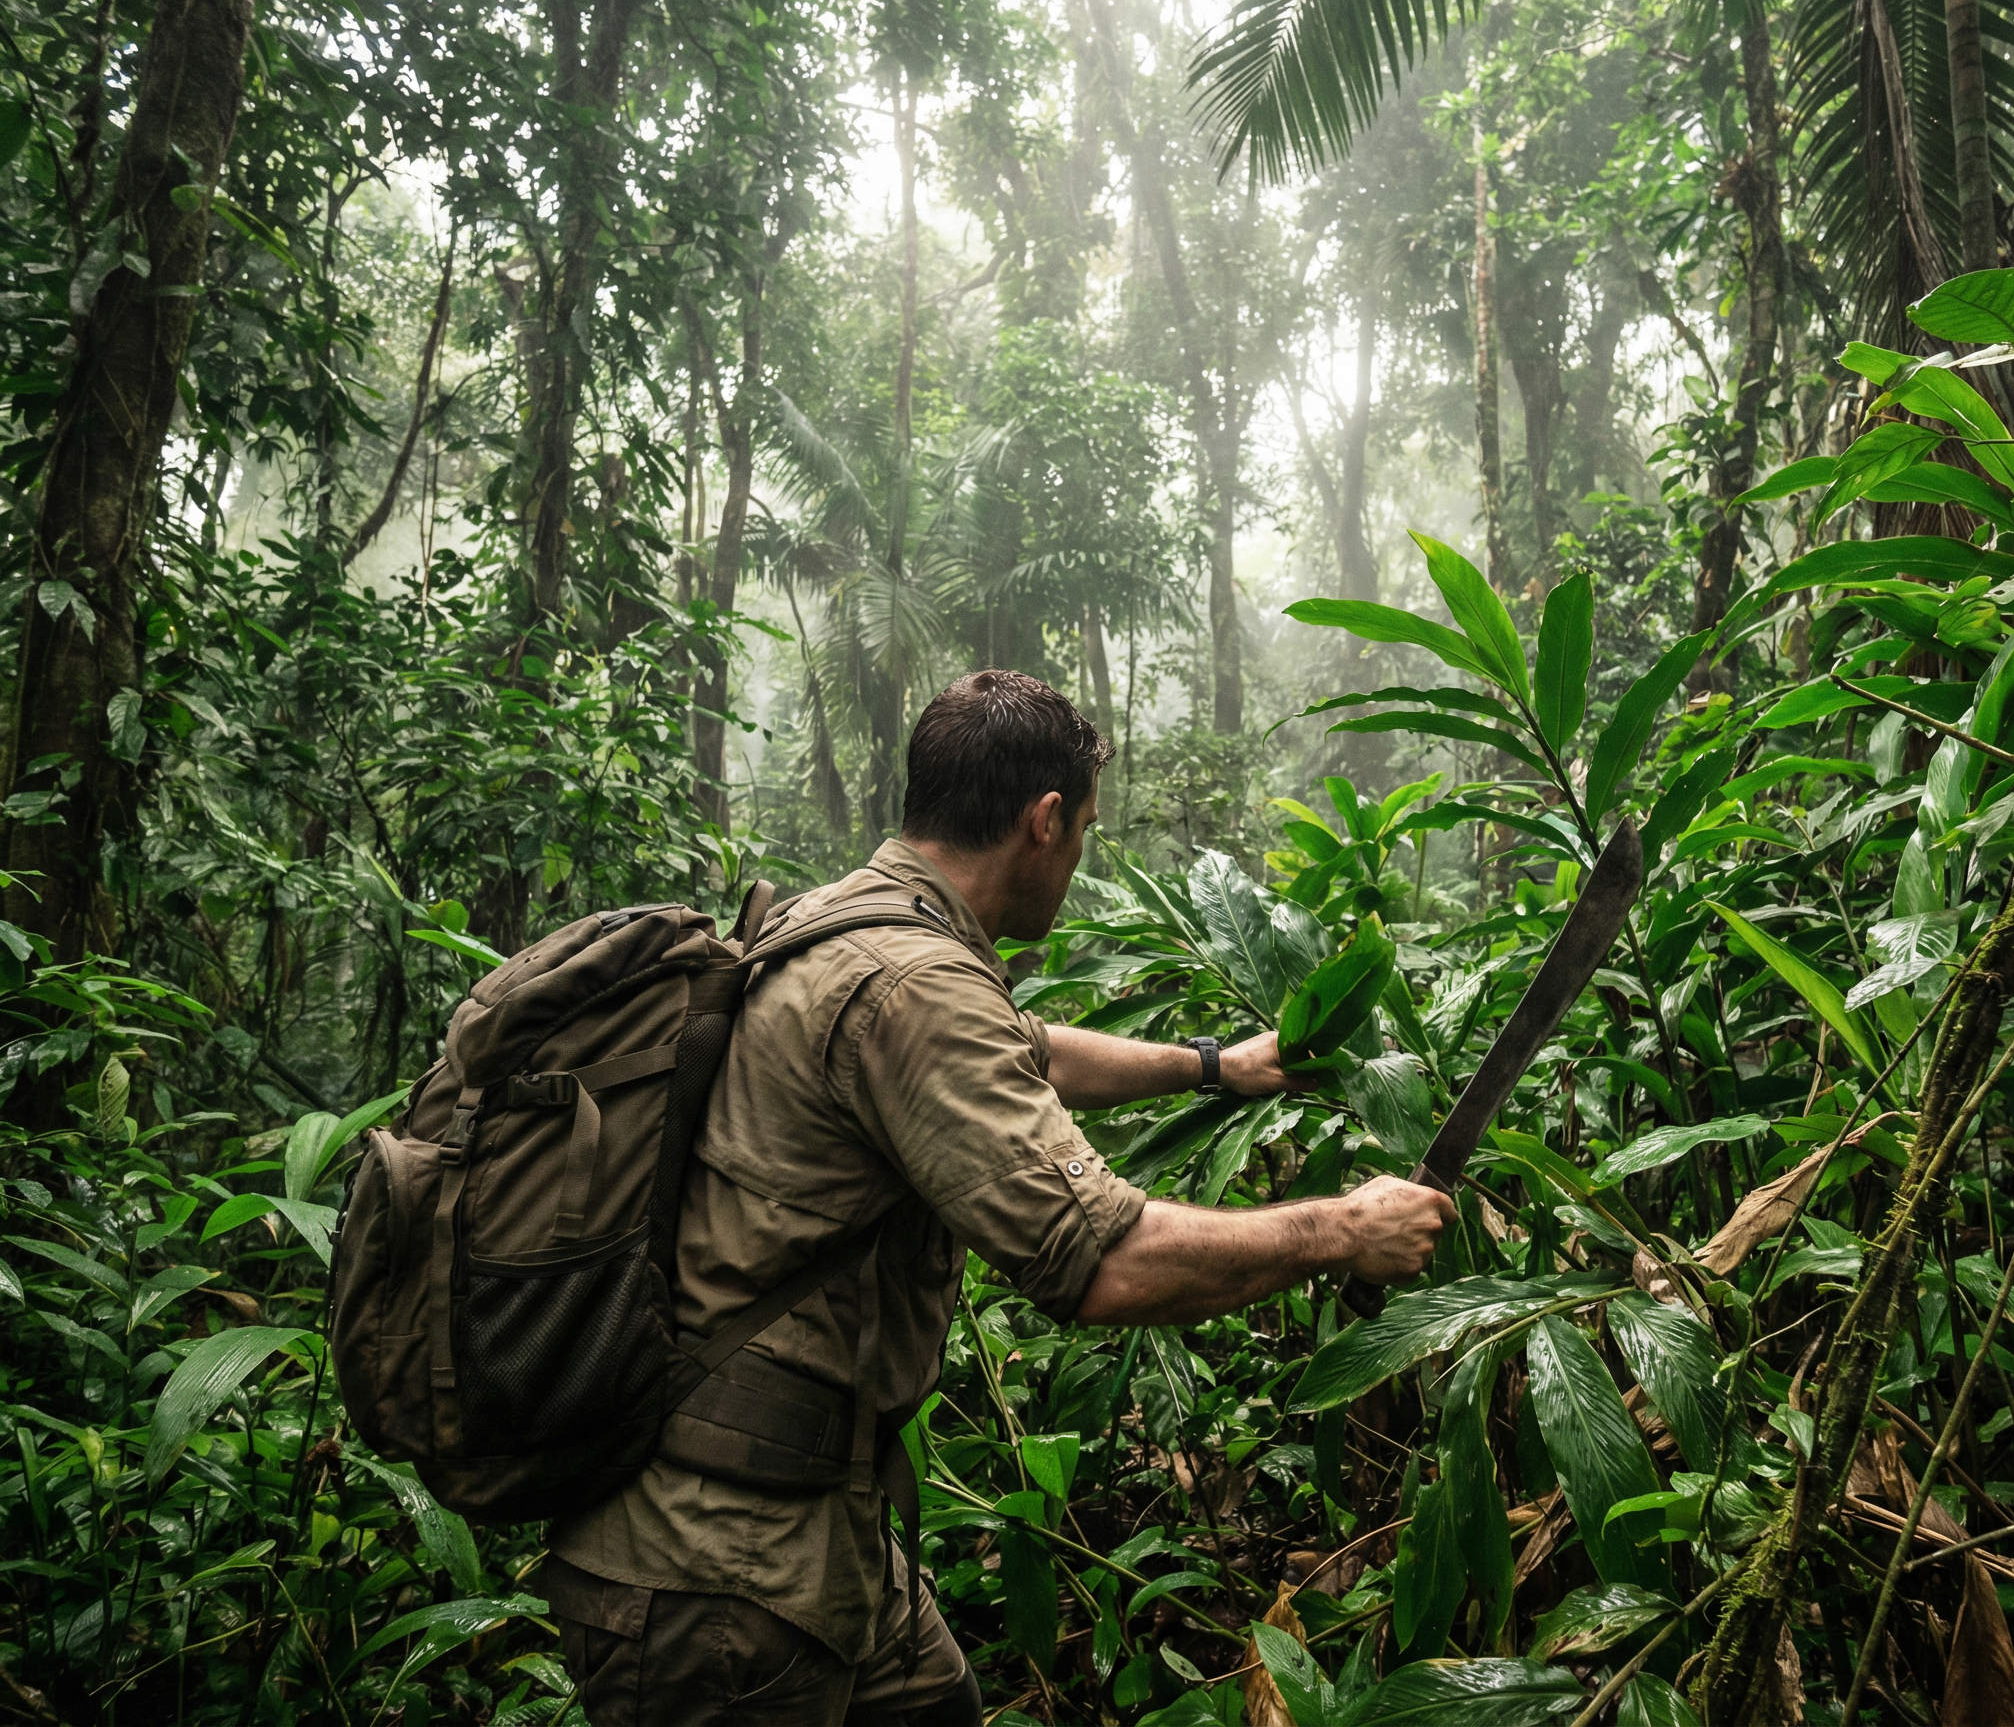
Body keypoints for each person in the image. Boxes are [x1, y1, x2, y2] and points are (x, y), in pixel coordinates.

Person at [538, 669, 1456, 1725]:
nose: (1076, 858)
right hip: (719, 1567)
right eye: (1083, 832)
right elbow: (1103, 1263)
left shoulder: (845, 920)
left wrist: (1212, 1064)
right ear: (1045, 818)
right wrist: (1343, 1226)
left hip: (802, 1528)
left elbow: (1028, 1050)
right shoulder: (911, 985)